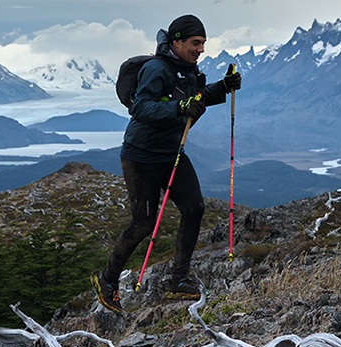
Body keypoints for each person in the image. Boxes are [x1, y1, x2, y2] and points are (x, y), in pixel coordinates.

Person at [92, 14, 242, 313]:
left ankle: (178, 280)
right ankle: (107, 281)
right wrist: (178, 107)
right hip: (141, 156)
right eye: (195, 43)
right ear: (177, 41)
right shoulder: (156, 68)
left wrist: (223, 86)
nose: (200, 49)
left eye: (203, 44)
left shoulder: (189, 70)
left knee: (194, 208)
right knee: (144, 223)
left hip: (171, 152)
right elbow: (142, 108)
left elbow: (194, 98)